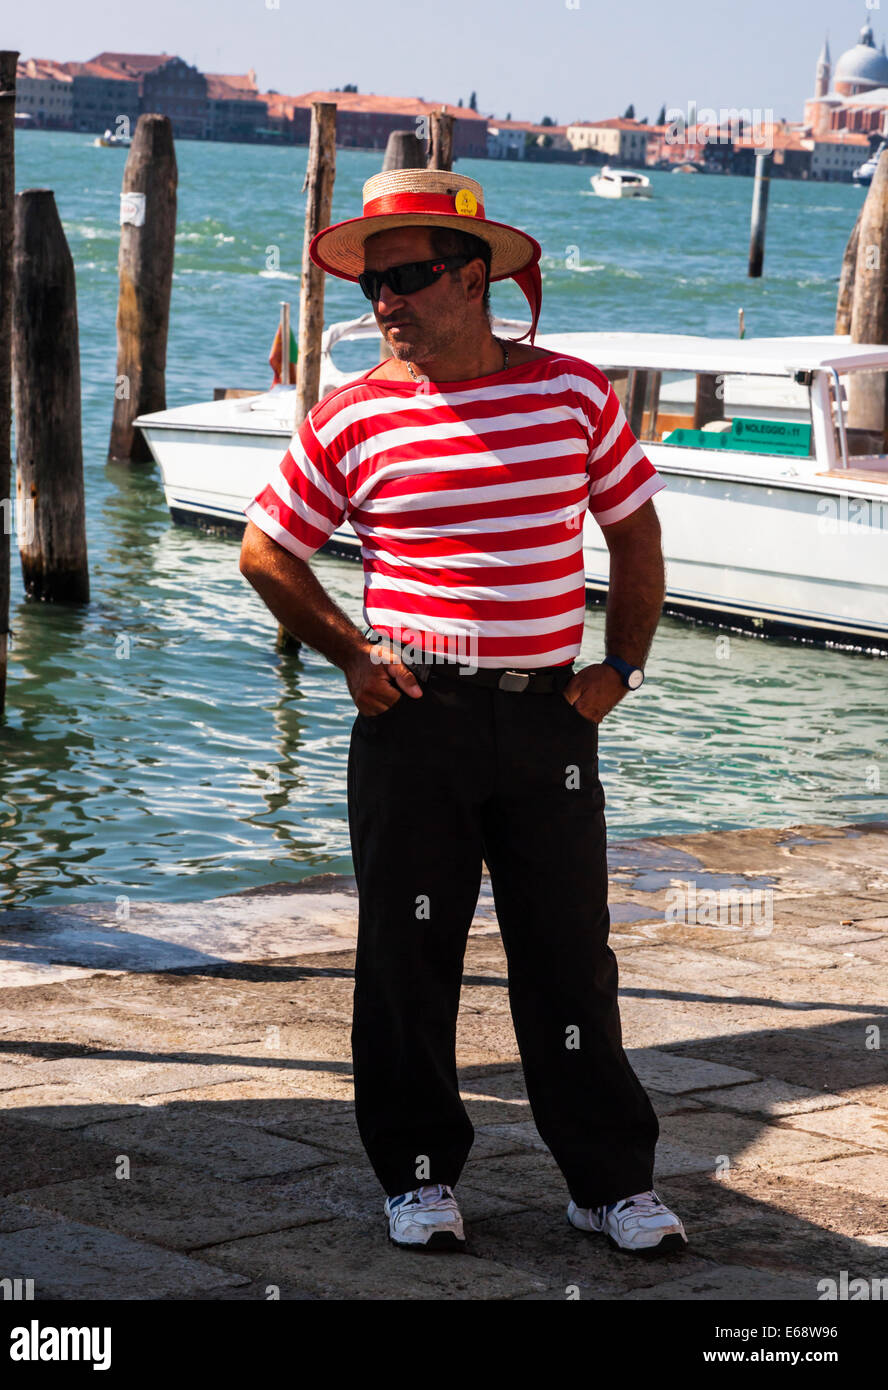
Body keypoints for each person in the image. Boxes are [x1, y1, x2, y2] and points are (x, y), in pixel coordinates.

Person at [239, 168, 687, 1257]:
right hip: (414, 718)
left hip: (546, 720)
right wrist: (350, 653)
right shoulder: (353, 416)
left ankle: (608, 1180)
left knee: (569, 951)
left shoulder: (574, 396)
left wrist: (620, 664)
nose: (385, 300)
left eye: (410, 277)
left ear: (475, 278)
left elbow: (633, 534)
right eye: (375, 282)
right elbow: (265, 549)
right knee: (406, 952)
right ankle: (419, 1175)